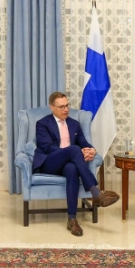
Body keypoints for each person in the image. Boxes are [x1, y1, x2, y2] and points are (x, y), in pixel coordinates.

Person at [33, 92, 119, 236]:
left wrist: (91, 150)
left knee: (72, 169)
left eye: (67, 105)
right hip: (49, 163)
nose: (66, 109)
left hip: (68, 163)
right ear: (52, 107)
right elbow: (48, 148)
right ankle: (95, 192)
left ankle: (72, 219)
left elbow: (83, 143)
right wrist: (73, 152)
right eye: (61, 107)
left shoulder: (74, 124)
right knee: (73, 149)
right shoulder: (42, 124)